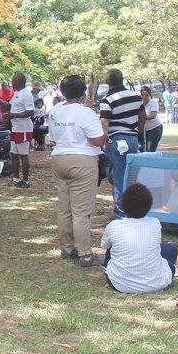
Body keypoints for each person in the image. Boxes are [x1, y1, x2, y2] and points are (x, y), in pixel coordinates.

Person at [48, 75, 106, 267]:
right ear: (83, 92)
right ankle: (85, 254)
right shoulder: (85, 113)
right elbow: (98, 140)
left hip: (59, 158)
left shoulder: (55, 111)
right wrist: (105, 128)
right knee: (81, 211)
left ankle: (67, 248)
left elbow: (54, 136)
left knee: (64, 208)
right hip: (82, 160)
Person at [101, 183, 174, 293]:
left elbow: (104, 245)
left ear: (123, 204)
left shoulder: (114, 226)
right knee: (170, 250)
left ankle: (120, 271)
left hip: (120, 283)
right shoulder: (155, 223)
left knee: (111, 248)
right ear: (149, 205)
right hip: (155, 283)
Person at [99, 69, 143, 218]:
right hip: (132, 138)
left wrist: (101, 142)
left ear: (108, 82)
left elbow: (104, 123)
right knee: (128, 175)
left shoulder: (107, 100)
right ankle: (129, 207)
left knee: (118, 177)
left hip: (116, 139)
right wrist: (139, 132)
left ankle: (121, 214)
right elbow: (142, 116)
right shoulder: (135, 96)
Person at [8, 72, 35, 187]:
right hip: (15, 128)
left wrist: (14, 115)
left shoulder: (26, 94)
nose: (12, 82)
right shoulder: (17, 93)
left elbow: (30, 112)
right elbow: (11, 106)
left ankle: (25, 180)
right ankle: (15, 178)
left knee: (23, 155)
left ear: (19, 81)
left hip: (23, 129)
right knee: (14, 154)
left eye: (13, 80)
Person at [139, 86, 162, 152]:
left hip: (155, 128)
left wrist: (142, 118)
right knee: (143, 148)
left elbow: (153, 115)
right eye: (143, 95)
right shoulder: (140, 104)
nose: (144, 97)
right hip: (146, 130)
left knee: (150, 150)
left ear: (149, 94)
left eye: (146, 95)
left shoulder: (153, 102)